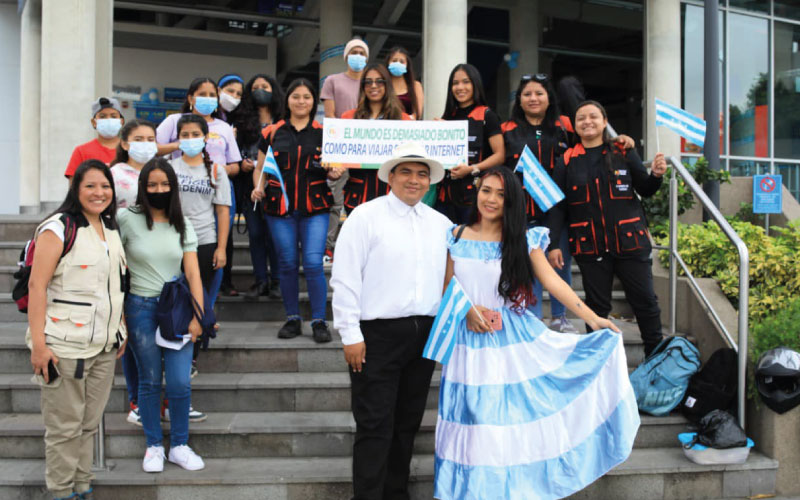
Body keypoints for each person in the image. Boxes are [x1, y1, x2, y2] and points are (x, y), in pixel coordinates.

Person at [432, 166, 639, 500]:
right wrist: (467, 310)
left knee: (504, 425)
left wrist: (593, 317)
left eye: (501, 194)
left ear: (512, 201)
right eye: (486, 190)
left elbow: (553, 282)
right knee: (475, 424)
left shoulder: (524, 239)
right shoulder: (455, 235)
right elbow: (447, 287)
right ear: (477, 191)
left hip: (512, 341)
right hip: (468, 343)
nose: (491, 199)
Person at [331, 142, 452, 500]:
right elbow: (345, 278)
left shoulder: (441, 223)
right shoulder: (364, 217)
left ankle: (396, 493)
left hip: (424, 335)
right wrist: (350, 334)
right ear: (391, 177)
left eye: (421, 174)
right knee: (374, 425)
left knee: (407, 423)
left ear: (429, 182)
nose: (414, 180)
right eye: (406, 172)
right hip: (376, 336)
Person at [26, 160, 127, 500]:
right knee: (64, 429)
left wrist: (120, 329)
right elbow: (37, 286)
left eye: (105, 186)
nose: (100, 193)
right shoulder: (58, 228)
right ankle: (60, 492)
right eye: (91, 186)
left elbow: (114, 285)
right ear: (76, 189)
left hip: (104, 346)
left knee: (87, 425)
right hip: (65, 347)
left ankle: (81, 486)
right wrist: (39, 346)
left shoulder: (110, 228)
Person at [548, 100, 667, 356]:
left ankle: (655, 361)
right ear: (575, 126)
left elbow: (645, 189)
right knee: (595, 309)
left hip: (630, 242)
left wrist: (656, 175)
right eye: (581, 118)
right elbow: (558, 206)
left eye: (593, 116)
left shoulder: (622, 151)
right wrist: (554, 244)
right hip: (590, 247)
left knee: (645, 303)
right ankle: (598, 364)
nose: (587, 122)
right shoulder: (567, 160)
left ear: (604, 122)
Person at [118, 158, 206, 473]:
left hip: (177, 309)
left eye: (164, 184)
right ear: (142, 188)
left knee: (181, 382)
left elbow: (194, 274)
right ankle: (154, 445)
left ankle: (179, 445)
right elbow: (116, 266)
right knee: (150, 380)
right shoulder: (126, 219)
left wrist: (199, 316)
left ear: (173, 187)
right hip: (140, 308)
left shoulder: (183, 223)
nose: (158, 190)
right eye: (151, 185)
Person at [251, 78, 338, 343]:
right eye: (296, 96)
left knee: (313, 263)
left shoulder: (325, 133)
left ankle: (319, 321)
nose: (301, 101)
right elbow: (260, 167)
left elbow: (333, 171)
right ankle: (292, 319)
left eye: (307, 97)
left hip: (316, 208)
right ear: (287, 100)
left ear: (314, 102)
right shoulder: (272, 132)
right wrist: (258, 187)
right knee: (288, 264)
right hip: (279, 208)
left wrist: (334, 173)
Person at [156, 77, 241, 305]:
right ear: (191, 98)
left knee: (214, 252)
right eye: (201, 94)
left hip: (213, 189)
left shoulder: (223, 127)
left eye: (212, 94)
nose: (207, 99)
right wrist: (178, 145)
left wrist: (218, 171)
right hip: (181, 204)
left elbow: (236, 164)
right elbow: (152, 148)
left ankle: (206, 311)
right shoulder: (175, 121)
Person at [169, 113, 231, 398]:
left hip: (205, 243)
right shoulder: (168, 167)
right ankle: (171, 348)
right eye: (185, 134)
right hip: (172, 242)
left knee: (198, 301)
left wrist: (221, 247)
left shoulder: (216, 171)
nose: (190, 139)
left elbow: (222, 211)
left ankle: (191, 356)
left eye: (196, 134)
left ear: (206, 138)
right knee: (172, 299)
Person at [109, 119, 159, 427]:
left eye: (151, 138)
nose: (146, 143)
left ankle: (157, 396)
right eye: (139, 138)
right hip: (123, 259)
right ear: (125, 143)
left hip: (156, 261)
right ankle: (137, 398)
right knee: (131, 332)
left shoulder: (160, 172)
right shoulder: (113, 175)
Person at [228, 74, 284, 299]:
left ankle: (278, 281)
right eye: (256, 87)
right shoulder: (240, 122)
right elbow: (233, 151)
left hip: (280, 187)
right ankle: (260, 280)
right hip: (250, 186)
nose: (261, 90)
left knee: (275, 236)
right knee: (256, 234)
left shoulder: (283, 119)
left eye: (266, 86)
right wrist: (242, 162)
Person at [437, 63, 504, 224]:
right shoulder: (447, 117)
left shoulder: (487, 115)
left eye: (466, 82)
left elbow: (500, 155)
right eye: (455, 83)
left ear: (475, 84)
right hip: (445, 197)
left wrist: (471, 169)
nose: (460, 87)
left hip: (474, 197)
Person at [321, 37, 369, 262]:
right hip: (341, 147)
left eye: (362, 52)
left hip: (367, 150)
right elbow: (330, 116)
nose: (358, 56)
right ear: (346, 56)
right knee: (335, 201)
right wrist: (336, 151)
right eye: (354, 52)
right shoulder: (333, 80)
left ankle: (356, 245)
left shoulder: (371, 84)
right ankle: (328, 246)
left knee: (362, 201)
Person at [339, 63, 412, 212]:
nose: (373, 86)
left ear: (387, 85)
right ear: (363, 86)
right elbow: (339, 156)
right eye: (368, 81)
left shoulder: (403, 120)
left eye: (379, 81)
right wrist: (335, 167)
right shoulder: (348, 118)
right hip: (358, 193)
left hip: (392, 193)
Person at [216, 73, 247, 297]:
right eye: (230, 91)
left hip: (226, 184)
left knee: (224, 236)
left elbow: (234, 162)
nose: (233, 97)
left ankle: (224, 281)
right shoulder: (205, 119)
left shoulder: (239, 121)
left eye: (238, 94)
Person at [64, 98, 125, 179]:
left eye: (113, 116)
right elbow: (74, 187)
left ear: (121, 121)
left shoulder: (131, 150)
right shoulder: (82, 151)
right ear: (94, 122)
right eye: (102, 116)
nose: (108, 120)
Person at [384, 46, 424, 119]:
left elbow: (417, 114)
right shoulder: (383, 85)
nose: (398, 63)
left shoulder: (415, 86)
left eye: (402, 61)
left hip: (408, 127)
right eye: (394, 60)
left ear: (407, 65)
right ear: (388, 63)